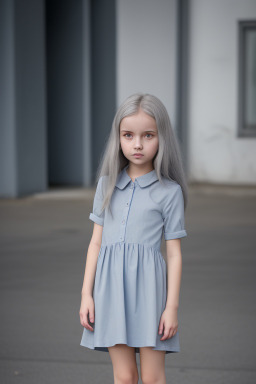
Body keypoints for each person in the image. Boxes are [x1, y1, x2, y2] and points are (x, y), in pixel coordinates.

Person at [79, 93, 188, 383]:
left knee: (152, 378)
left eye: (148, 135)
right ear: (119, 138)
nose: (137, 144)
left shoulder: (169, 192)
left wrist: (171, 307)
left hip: (151, 294)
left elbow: (174, 254)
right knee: (124, 377)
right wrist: (86, 294)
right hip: (110, 292)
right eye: (128, 135)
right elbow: (95, 244)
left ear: (161, 137)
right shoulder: (107, 185)